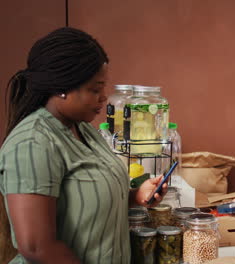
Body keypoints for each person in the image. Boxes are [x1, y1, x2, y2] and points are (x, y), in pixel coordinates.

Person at [0, 27, 168, 263]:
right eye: (95, 89)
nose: (103, 97)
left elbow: (86, 201)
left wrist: (134, 196)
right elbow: (37, 247)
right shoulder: (33, 142)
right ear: (61, 87)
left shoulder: (84, 130)